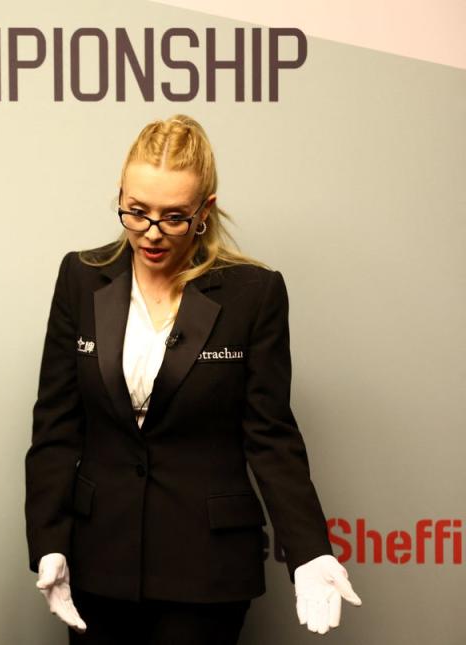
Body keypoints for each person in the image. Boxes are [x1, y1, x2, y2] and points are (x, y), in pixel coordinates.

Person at [24, 115, 361, 644]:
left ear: (204, 211)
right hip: (98, 560)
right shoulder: (80, 278)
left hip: (207, 570)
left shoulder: (254, 294)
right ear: (120, 195)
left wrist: (310, 550)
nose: (151, 234)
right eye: (136, 212)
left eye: (173, 217)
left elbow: (270, 435)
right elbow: (56, 426)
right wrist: (48, 539)